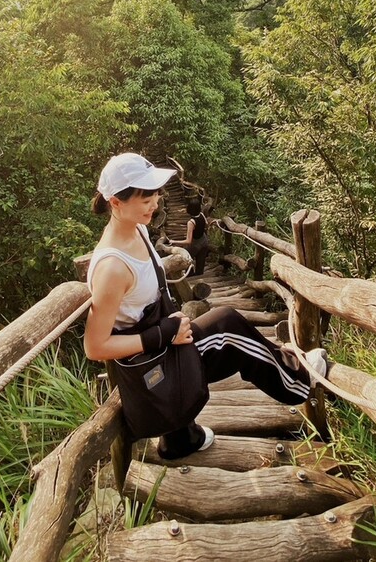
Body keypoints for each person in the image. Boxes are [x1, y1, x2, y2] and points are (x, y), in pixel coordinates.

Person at [84, 152, 328, 460]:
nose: (156, 203)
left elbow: (150, 294)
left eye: (156, 194)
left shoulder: (139, 230)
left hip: (164, 348)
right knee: (227, 325)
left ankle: (181, 439)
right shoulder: (111, 267)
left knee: (223, 327)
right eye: (145, 200)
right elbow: (95, 346)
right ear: (115, 202)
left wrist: (171, 321)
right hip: (155, 370)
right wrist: (164, 334)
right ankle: (299, 381)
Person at [168, 197, 210, 276]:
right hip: (204, 240)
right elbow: (206, 224)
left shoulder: (191, 222)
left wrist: (174, 241)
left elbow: (188, 241)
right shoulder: (202, 214)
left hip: (196, 244)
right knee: (200, 265)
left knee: (186, 259)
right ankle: (199, 276)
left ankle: (190, 274)